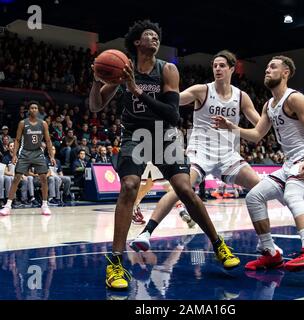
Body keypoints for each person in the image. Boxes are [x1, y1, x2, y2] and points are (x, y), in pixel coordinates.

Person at [89, 20, 240, 290]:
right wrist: (97, 81)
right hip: (134, 134)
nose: (154, 39)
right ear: (136, 42)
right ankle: (115, 263)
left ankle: (219, 245)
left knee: (184, 187)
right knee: (129, 186)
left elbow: (172, 114)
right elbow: (96, 106)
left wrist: (136, 90)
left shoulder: (167, 69)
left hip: (164, 133)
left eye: (157, 36)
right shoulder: (122, 70)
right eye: (148, 35)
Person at [130, 50, 266, 254]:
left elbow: (259, 126)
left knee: (261, 189)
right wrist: (145, 91)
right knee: (179, 189)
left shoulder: (241, 97)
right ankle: (146, 233)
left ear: (231, 68)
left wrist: (270, 111)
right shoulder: (201, 91)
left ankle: (266, 243)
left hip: (228, 154)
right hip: (200, 152)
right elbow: (173, 99)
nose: (217, 69)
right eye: (215, 65)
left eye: (222, 65)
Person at [213, 55, 304, 272]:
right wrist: (231, 127)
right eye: (266, 67)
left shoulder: (295, 98)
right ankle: (270, 252)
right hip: (289, 163)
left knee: (292, 195)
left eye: (273, 67)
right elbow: (257, 134)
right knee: (254, 196)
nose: (267, 70)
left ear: (285, 73)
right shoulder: (269, 105)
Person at [0, 101, 55, 216]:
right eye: (32, 108)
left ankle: (44, 205)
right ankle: (8, 205)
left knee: (44, 178)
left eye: (36, 108)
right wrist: (14, 155)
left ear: (38, 110)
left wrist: (51, 156)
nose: (34, 109)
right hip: (25, 152)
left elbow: (48, 140)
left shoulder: (43, 123)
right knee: (17, 178)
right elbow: (17, 140)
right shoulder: (22, 123)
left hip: (38, 153)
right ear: (28, 110)